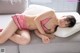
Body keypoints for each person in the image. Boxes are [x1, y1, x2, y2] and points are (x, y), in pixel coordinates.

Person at [0, 10, 76, 45]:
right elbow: (36, 20)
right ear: (63, 16)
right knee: (1, 40)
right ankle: (5, 33)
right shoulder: (51, 13)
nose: (63, 23)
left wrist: (42, 36)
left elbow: (36, 30)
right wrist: (44, 34)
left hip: (24, 29)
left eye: (66, 24)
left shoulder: (52, 30)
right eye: (65, 20)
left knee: (25, 41)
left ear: (64, 27)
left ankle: (4, 31)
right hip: (20, 21)